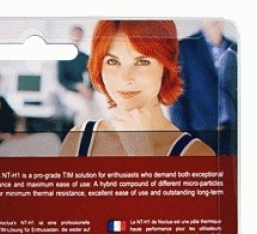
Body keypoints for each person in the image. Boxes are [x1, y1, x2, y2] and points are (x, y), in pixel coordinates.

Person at [59, 20, 214, 157]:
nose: (125, 77)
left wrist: (142, 158)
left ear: (166, 67)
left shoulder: (197, 155)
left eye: (142, 62)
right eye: (113, 61)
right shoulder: (78, 141)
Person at [169, 20, 237, 155]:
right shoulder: (185, 48)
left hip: (232, 136)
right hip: (200, 135)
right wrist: (184, 139)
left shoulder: (235, 48)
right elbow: (177, 99)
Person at [57, 26, 104, 125]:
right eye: (75, 34)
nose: (77, 37)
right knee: (84, 108)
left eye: (79, 35)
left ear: (82, 37)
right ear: (70, 36)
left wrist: (90, 91)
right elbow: (62, 80)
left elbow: (92, 78)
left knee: (98, 110)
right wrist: (79, 88)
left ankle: (93, 133)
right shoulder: (63, 57)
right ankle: (80, 133)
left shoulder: (85, 57)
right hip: (69, 92)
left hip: (86, 92)